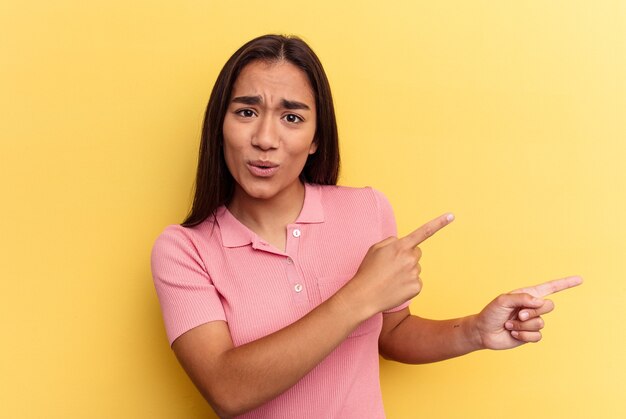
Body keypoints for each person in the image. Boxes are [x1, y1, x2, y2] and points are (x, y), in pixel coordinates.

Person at [151, 34, 582, 419]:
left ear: (317, 137)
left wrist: (475, 330)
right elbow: (227, 390)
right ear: (220, 125)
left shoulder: (366, 209)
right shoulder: (184, 250)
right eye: (247, 111)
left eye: (292, 117)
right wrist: (358, 295)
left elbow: (391, 332)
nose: (265, 138)